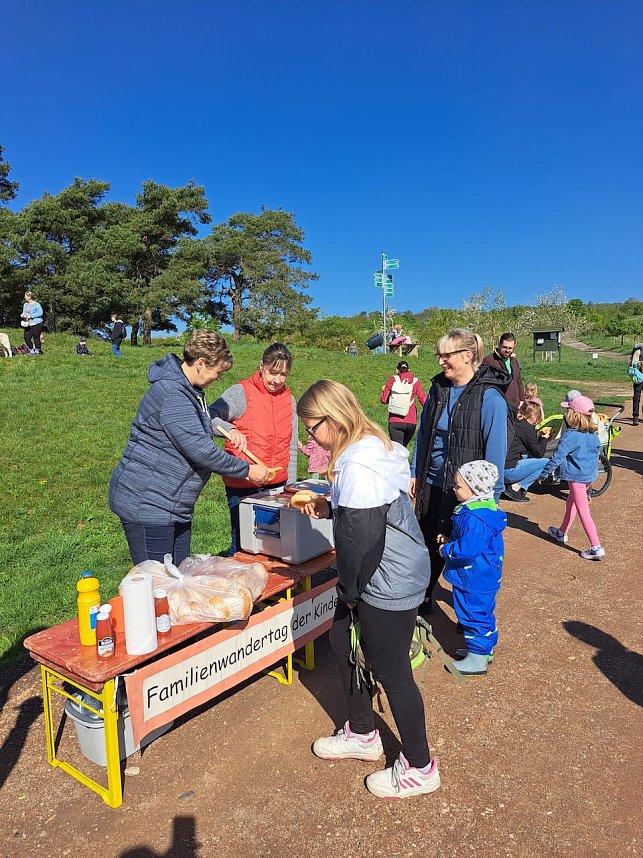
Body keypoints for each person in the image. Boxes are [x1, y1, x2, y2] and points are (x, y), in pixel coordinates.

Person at [296, 379, 439, 799]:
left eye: (311, 428)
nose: (310, 437)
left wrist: (351, 593)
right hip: (386, 569)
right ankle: (362, 733)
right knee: (341, 642)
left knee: (390, 669)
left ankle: (419, 765)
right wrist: (330, 506)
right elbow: (367, 516)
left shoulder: (358, 464)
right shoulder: (369, 445)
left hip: (386, 578)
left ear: (333, 418)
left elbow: (362, 543)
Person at [109, 330, 268, 565]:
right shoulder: (173, 393)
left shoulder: (190, 391)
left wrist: (225, 429)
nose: (218, 378)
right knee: (158, 584)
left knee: (179, 576)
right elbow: (201, 451)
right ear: (201, 363)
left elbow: (191, 426)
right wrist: (247, 470)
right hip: (149, 504)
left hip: (173, 505)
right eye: (218, 372)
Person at [411, 329, 509, 611]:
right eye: (439, 355)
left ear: (467, 356)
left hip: (468, 492)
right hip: (432, 481)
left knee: (466, 552)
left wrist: (491, 501)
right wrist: (413, 471)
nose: (441, 361)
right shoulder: (437, 389)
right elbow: (424, 433)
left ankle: (471, 614)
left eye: (447, 355)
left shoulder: (489, 397)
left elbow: (495, 453)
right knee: (427, 543)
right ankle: (423, 599)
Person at [209, 343, 297, 555]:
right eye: (273, 372)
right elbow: (208, 416)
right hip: (243, 483)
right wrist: (230, 430)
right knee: (244, 545)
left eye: (283, 374)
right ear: (261, 366)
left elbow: (291, 445)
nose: (277, 380)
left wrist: (291, 486)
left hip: (277, 484)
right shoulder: (241, 392)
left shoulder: (289, 399)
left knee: (275, 544)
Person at [437, 461, 506, 675]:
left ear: (474, 488)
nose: (454, 489)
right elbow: (472, 541)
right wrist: (452, 538)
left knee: (472, 613)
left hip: (473, 576)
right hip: (484, 573)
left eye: (458, 486)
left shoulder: (474, 518)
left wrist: (446, 549)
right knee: (483, 612)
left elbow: (467, 549)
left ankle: (477, 657)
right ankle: (484, 649)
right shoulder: (483, 509)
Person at [539, 395, 605, 560]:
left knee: (583, 511)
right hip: (590, 476)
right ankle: (561, 532)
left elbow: (557, 457)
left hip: (577, 478)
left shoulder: (570, 436)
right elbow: (597, 454)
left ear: (573, 415)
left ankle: (596, 546)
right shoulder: (593, 434)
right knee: (572, 502)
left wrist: (544, 474)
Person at [502, 401, 551, 502]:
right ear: (533, 415)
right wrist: (544, 439)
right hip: (508, 471)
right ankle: (515, 487)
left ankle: (509, 486)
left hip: (498, 468)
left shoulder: (515, 423)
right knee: (547, 463)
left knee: (526, 456)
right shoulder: (527, 428)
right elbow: (538, 453)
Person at [380, 360, 427, 447]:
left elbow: (383, 400)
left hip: (395, 421)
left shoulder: (393, 380)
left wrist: (386, 391)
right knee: (403, 450)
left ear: (396, 370)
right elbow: (423, 400)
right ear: (409, 369)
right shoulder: (415, 381)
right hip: (411, 421)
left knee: (397, 451)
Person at [482, 332, 525, 409]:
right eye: (504, 347)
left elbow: (519, 382)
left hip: (515, 406)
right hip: (498, 406)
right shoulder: (488, 361)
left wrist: (522, 400)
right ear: (499, 345)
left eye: (510, 348)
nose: (507, 350)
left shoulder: (514, 361)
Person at [628, 346, 643, 426]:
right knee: (636, 398)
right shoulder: (639, 351)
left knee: (636, 398)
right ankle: (635, 417)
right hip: (639, 378)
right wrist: (640, 363)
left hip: (639, 379)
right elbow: (634, 364)